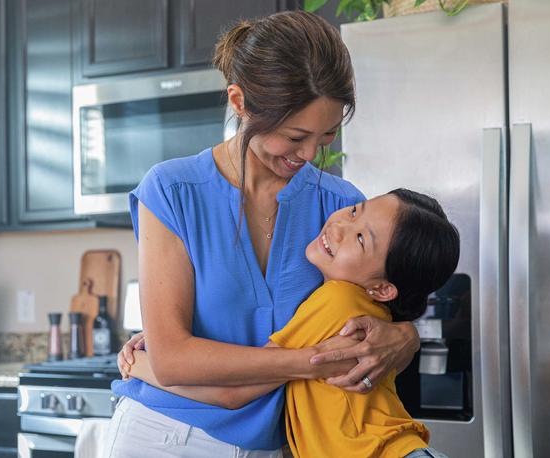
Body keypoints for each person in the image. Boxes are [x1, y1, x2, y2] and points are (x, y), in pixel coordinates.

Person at [105, 11, 421, 457]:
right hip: (166, 437)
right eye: (295, 136)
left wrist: (407, 336)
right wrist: (314, 362)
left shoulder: (341, 208)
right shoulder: (173, 191)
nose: (309, 154)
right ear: (240, 102)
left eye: (327, 135)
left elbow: (375, 305)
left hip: (282, 446)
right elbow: (175, 361)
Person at [125, 189, 460, 458]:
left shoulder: (338, 301)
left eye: (360, 239)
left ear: (383, 289)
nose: (340, 226)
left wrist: (138, 365)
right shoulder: (358, 305)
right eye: (356, 210)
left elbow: (233, 388)